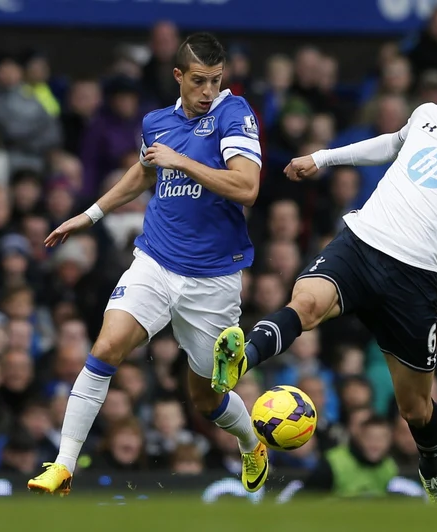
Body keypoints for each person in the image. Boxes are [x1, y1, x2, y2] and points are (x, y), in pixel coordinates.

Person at [212, 50, 437, 504]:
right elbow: (391, 143)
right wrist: (322, 157)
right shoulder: (426, 115)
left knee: (415, 408)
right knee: (306, 303)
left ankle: (432, 469)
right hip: (362, 242)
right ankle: (241, 359)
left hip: (413, 278)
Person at [27, 33, 266, 495]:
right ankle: (63, 464)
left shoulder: (234, 114)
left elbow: (246, 188)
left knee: (205, 398)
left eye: (216, 80)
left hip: (213, 276)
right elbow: (144, 171)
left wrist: (182, 161)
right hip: (155, 259)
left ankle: (252, 443)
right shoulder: (157, 122)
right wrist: (89, 215)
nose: (208, 91)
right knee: (107, 345)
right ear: (178, 76)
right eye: (199, 81)